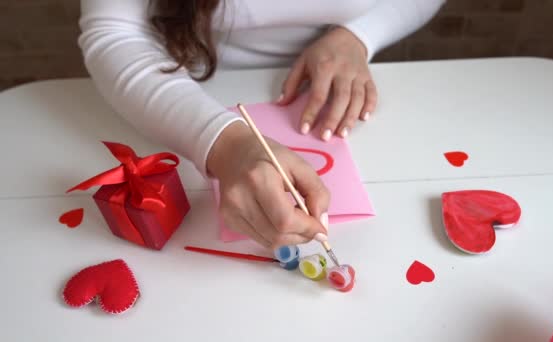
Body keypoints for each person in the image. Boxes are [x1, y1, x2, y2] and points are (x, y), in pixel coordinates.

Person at [78, 0, 445, 249]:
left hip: (339, 70)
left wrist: (360, 35)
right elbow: (115, 32)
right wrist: (223, 143)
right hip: (180, 89)